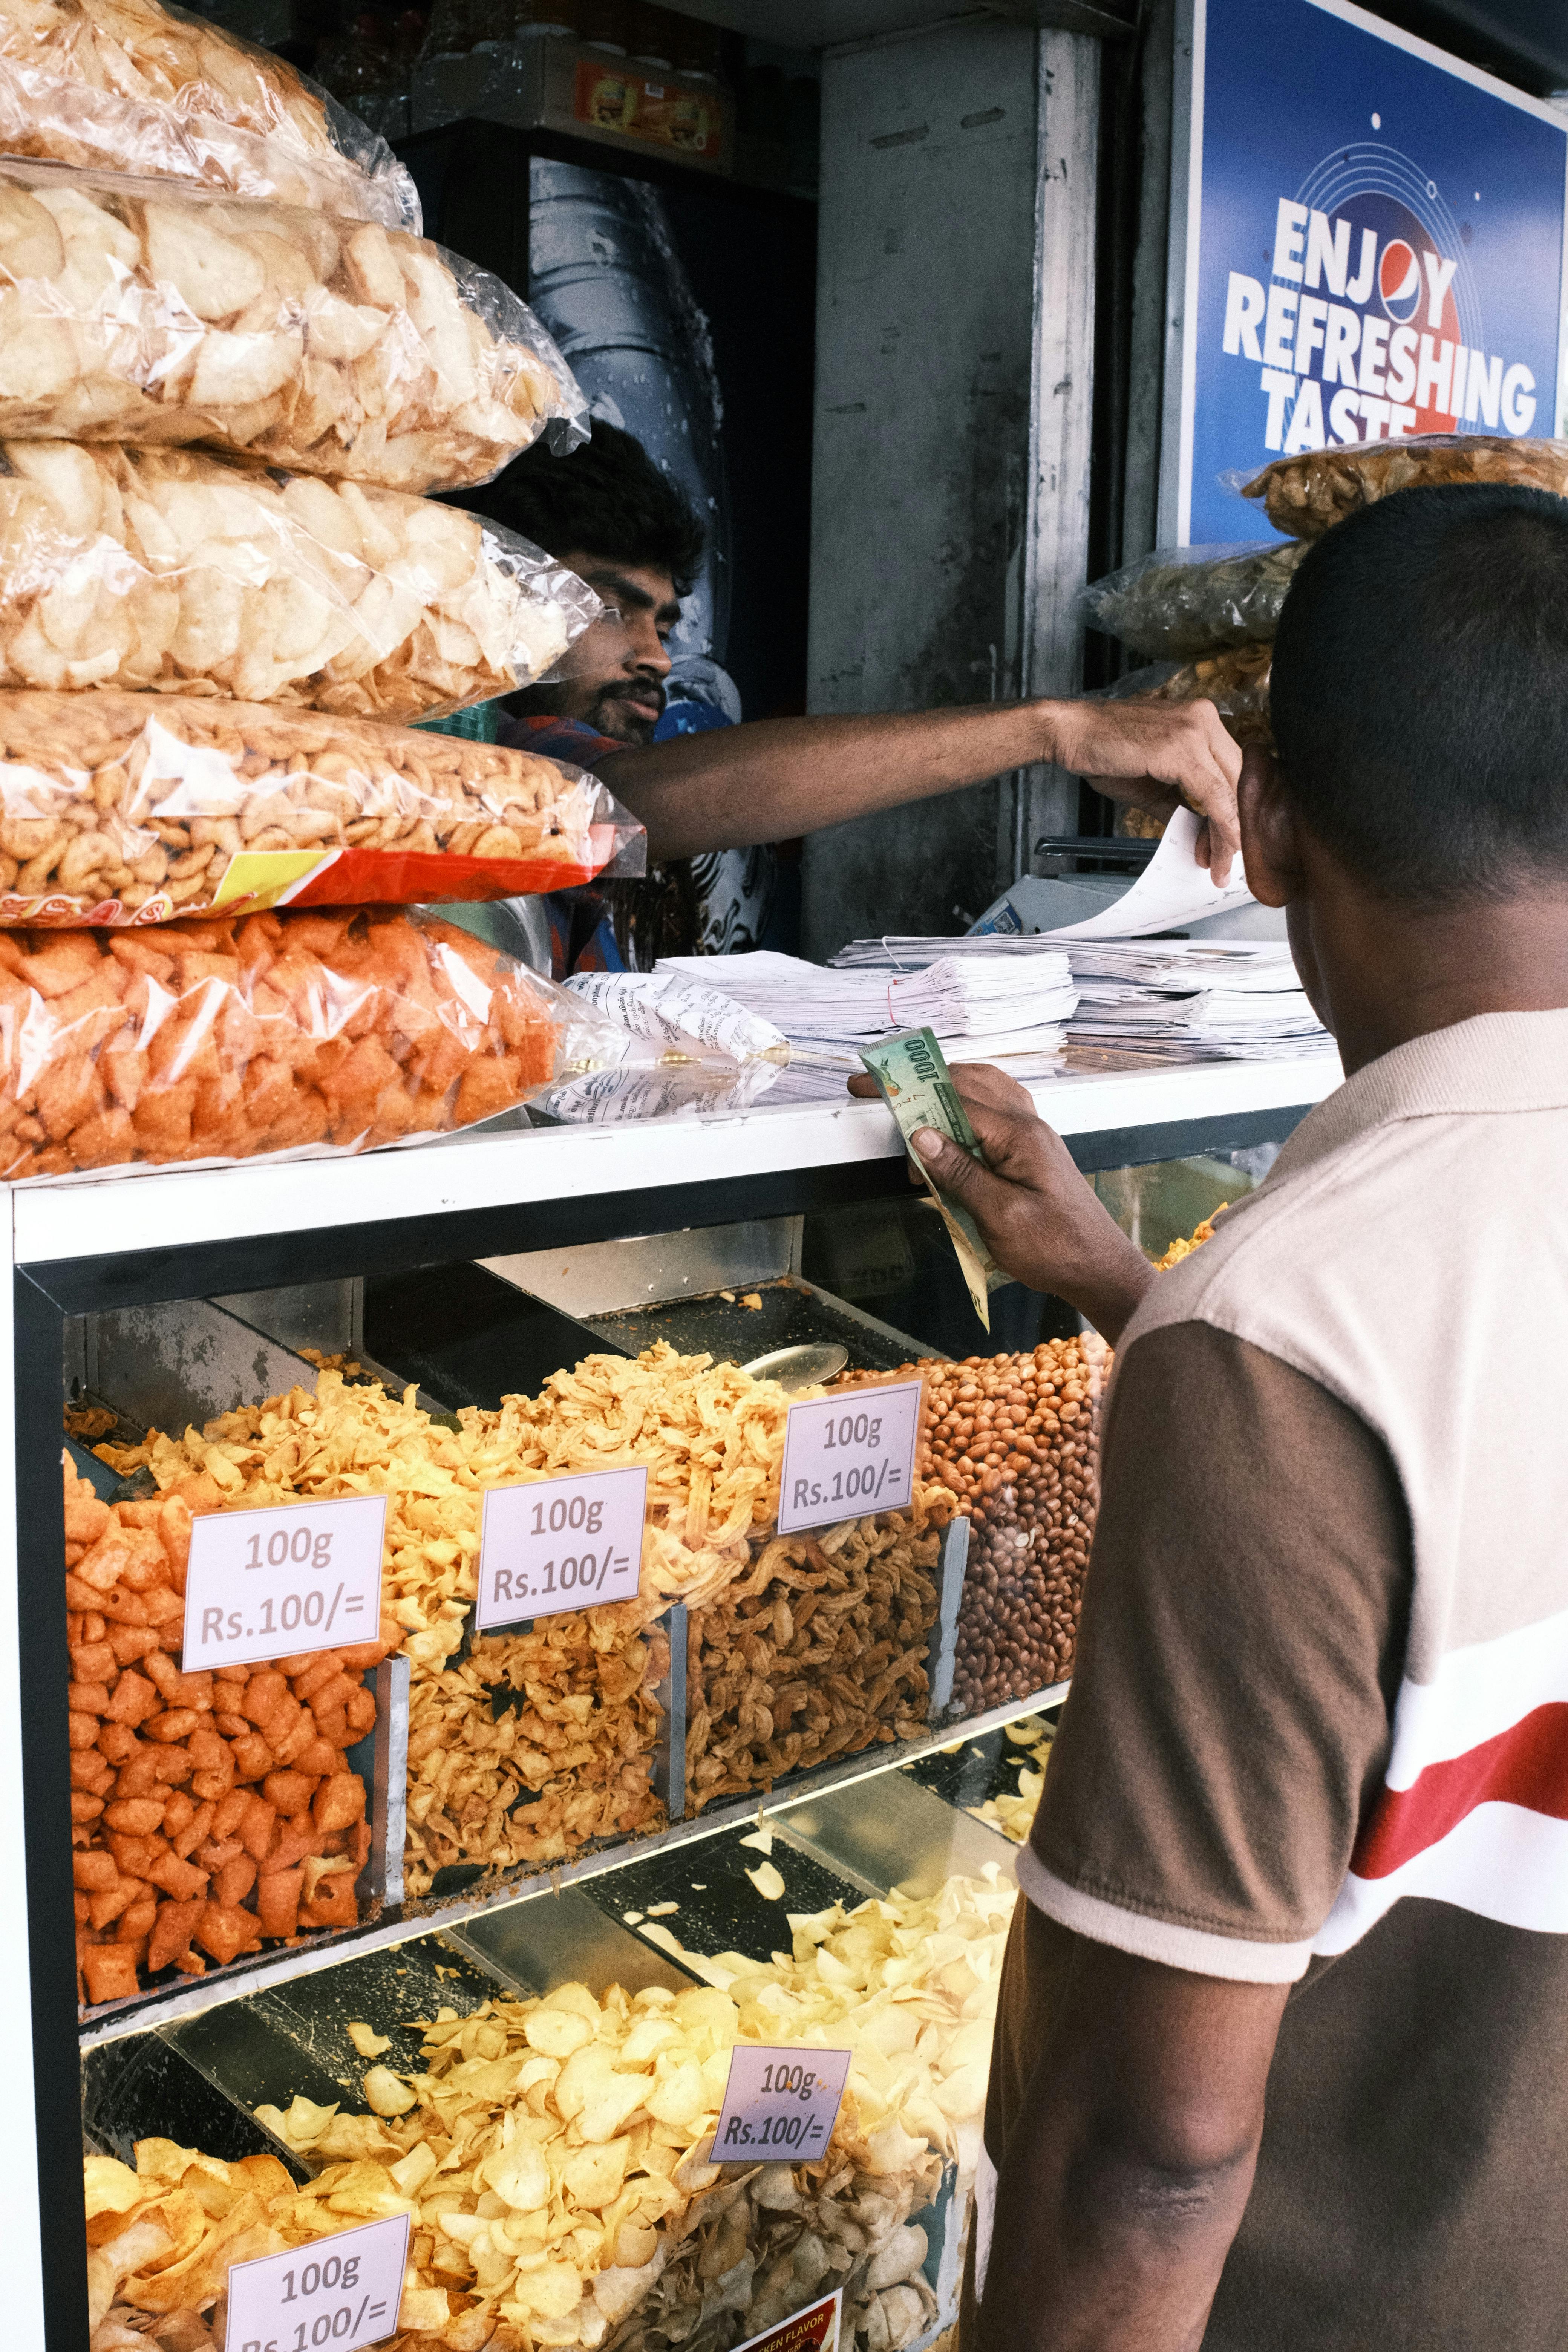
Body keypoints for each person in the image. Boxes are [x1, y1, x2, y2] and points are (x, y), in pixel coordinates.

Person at [850, 482, 1568, 2351]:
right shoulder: (1285, 1334)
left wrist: (1218, 1342)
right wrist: (1130, 1286)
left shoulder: (1298, 1333)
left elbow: (1149, 2152)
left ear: (1258, 823)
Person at [461, 423, 1246, 974]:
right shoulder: (480, 751)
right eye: (610, 610)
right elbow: (618, 803)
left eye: (665, 622)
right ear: (498, 592)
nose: (655, 655)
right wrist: (1050, 729)